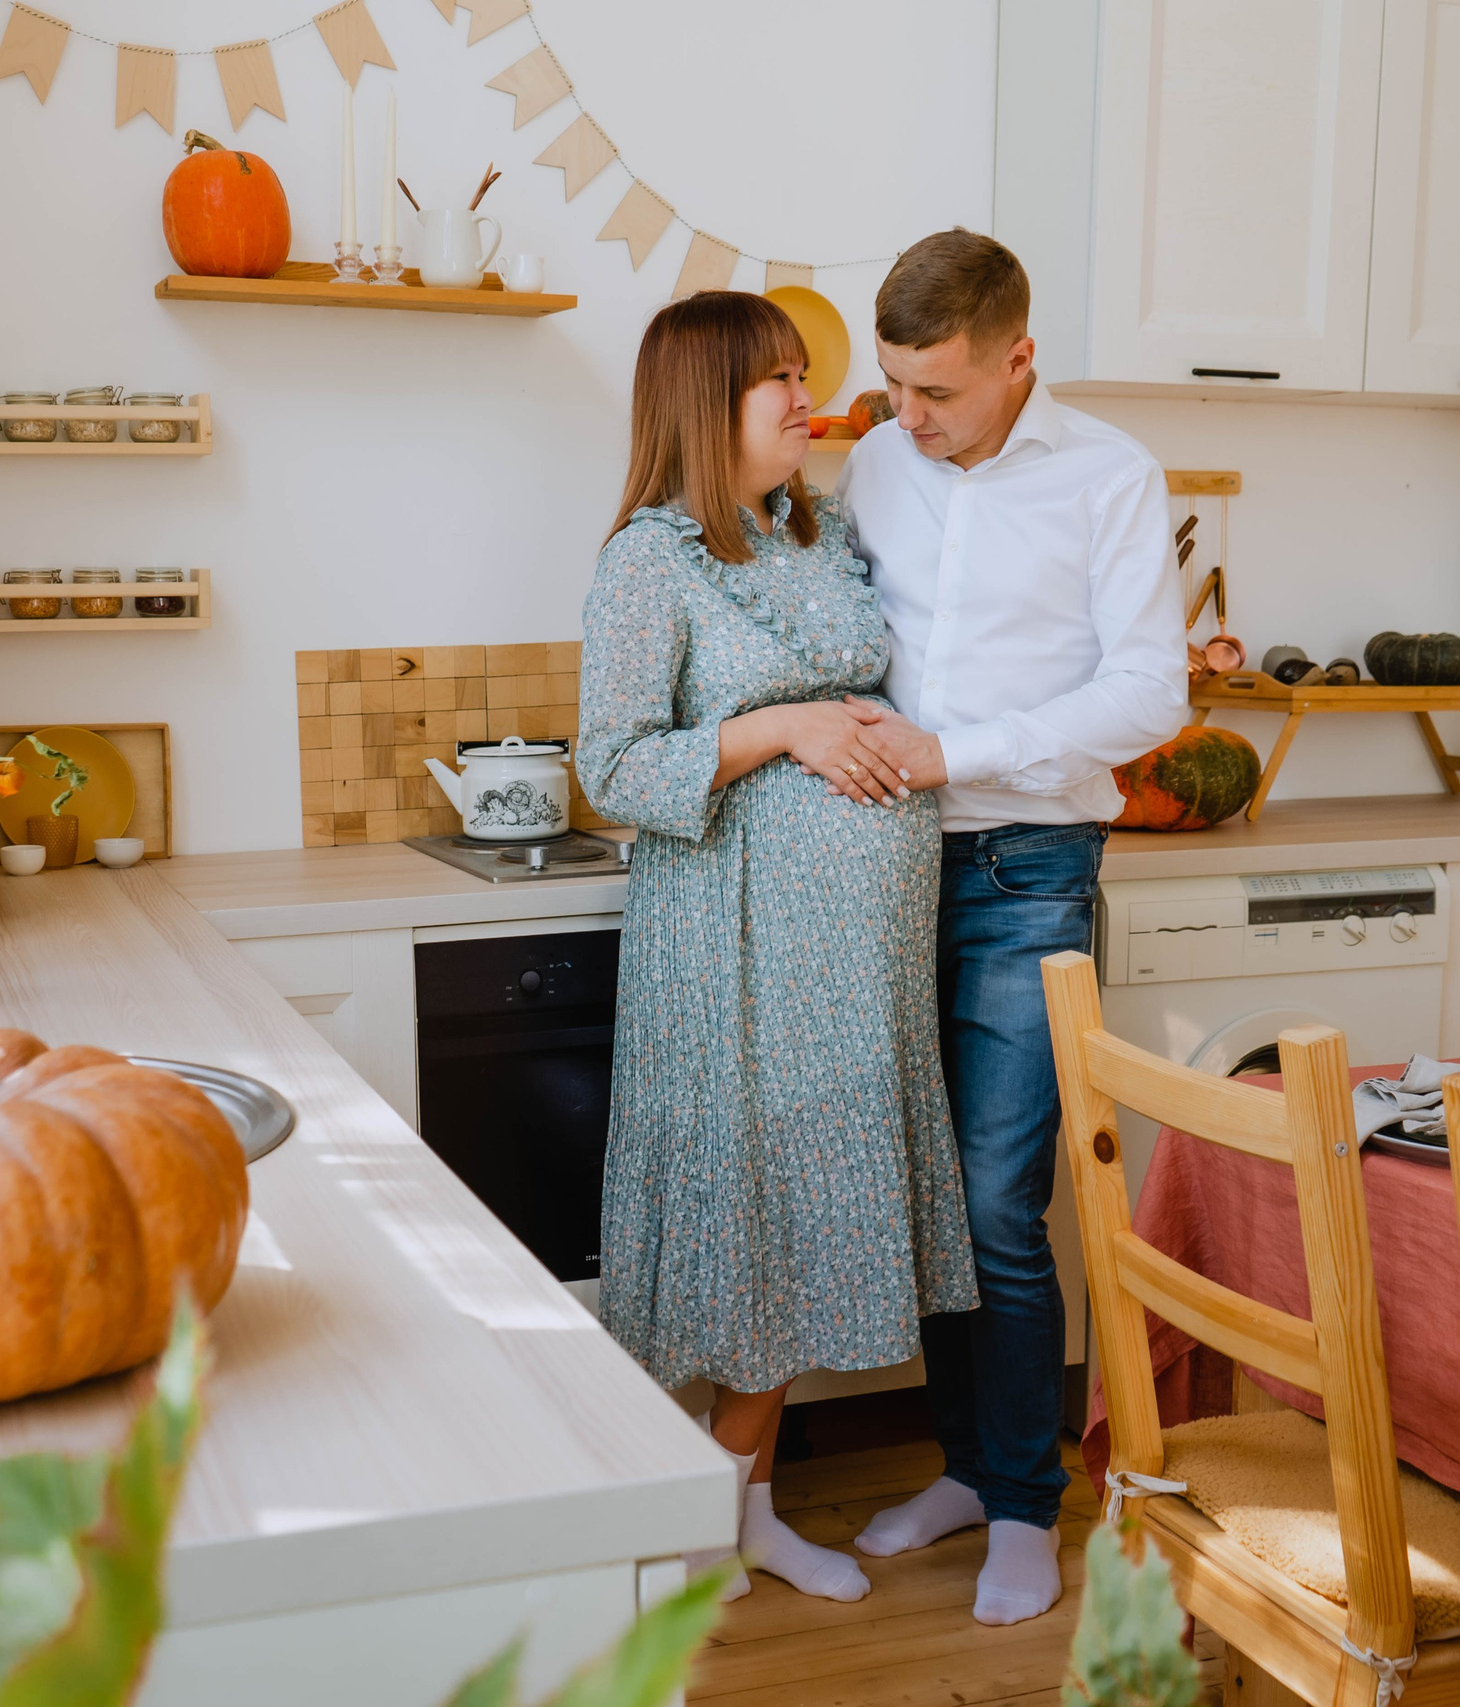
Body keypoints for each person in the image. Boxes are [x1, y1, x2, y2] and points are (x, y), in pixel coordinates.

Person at [578, 290, 977, 1605]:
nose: (809, 402)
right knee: (754, 1227)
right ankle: (716, 1499)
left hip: (854, 970)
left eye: (806, 378)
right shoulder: (652, 561)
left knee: (799, 1231)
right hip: (738, 957)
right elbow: (613, 768)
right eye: (780, 385)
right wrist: (786, 730)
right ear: (709, 405)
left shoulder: (810, 531)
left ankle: (736, 1506)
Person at [834, 230, 1188, 1625]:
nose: (907, 419)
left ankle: (1032, 1501)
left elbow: (1149, 692)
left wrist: (957, 751)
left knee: (996, 1200)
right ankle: (969, 1472)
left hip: (1027, 864)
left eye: (939, 393)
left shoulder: (1110, 476)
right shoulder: (875, 462)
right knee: (929, 1198)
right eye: (896, 388)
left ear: (1018, 358)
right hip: (882, 862)